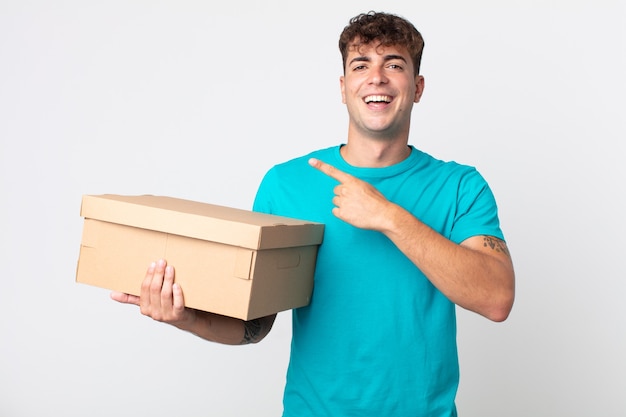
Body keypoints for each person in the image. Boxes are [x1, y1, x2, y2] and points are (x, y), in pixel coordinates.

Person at [112, 11, 515, 416]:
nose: (377, 77)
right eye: (361, 65)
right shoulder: (285, 185)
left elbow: (497, 298)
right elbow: (255, 323)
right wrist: (186, 317)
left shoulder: (460, 186)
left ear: (418, 87)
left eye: (394, 64)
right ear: (343, 88)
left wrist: (389, 217)